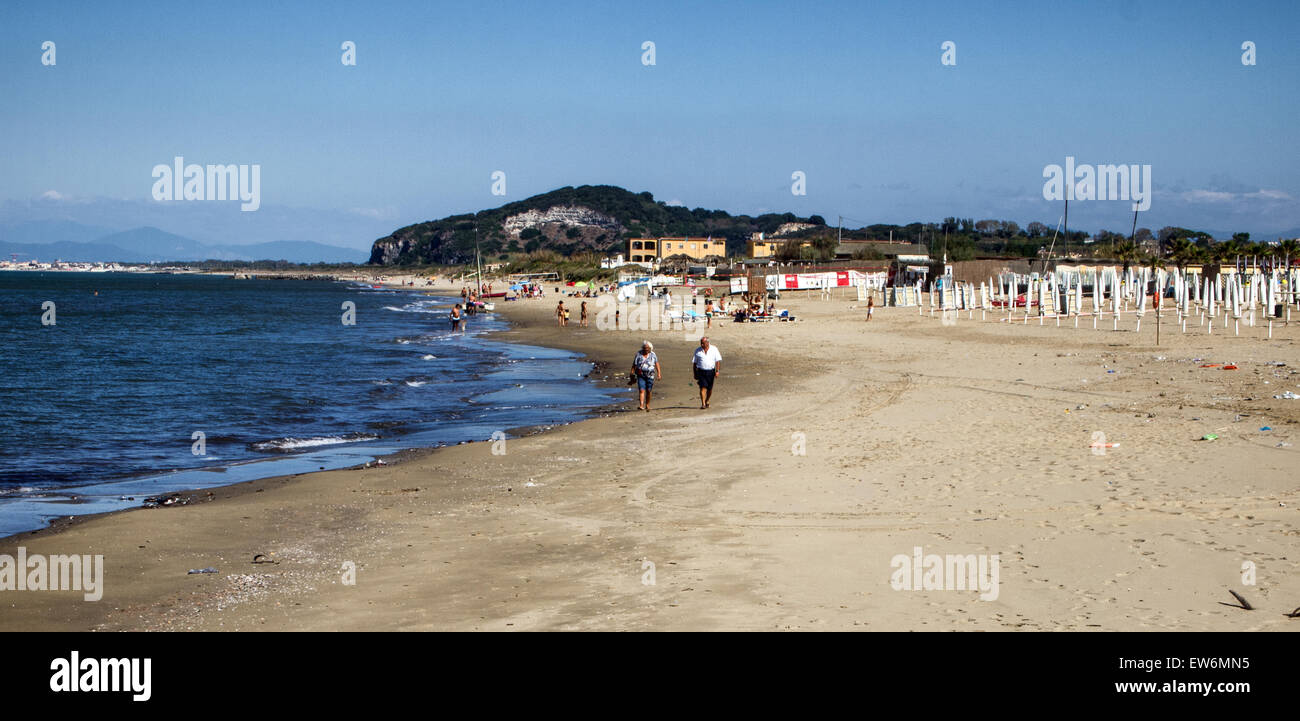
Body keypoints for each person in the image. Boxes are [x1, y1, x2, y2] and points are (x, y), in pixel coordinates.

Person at [691, 336, 722, 409]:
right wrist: (695, 373)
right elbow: (694, 363)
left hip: (711, 372)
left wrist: (717, 371)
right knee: (703, 388)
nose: (701, 345)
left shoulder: (714, 349)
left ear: (707, 343)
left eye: (703, 343)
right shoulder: (697, 351)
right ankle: (703, 404)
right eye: (701, 343)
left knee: (709, 389)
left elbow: (717, 361)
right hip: (701, 372)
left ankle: (707, 400)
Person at [631, 340, 661, 412]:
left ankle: (647, 404)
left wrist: (659, 373)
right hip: (640, 374)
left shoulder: (653, 354)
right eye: (644, 348)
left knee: (648, 390)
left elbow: (657, 364)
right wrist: (631, 373)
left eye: (647, 348)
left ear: (650, 348)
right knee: (641, 390)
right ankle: (641, 405)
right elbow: (634, 365)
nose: (646, 349)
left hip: (650, 375)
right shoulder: (638, 354)